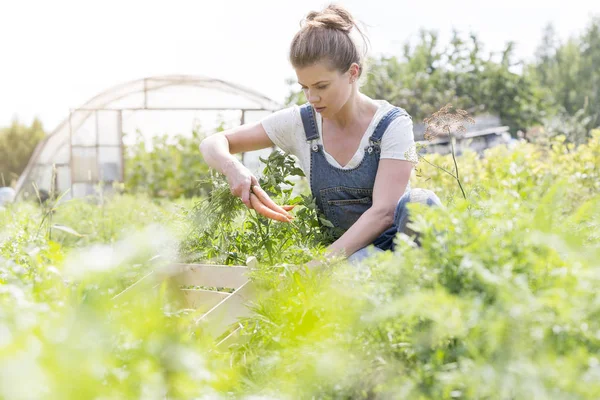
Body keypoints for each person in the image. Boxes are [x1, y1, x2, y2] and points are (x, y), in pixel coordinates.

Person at [200, 4, 441, 264]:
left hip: (401, 250)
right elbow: (213, 142)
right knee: (357, 264)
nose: (312, 97)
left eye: (321, 86)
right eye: (304, 87)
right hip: (348, 256)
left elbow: (384, 212)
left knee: (422, 201)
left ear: (352, 73)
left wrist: (318, 265)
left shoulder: (392, 124)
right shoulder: (301, 123)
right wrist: (232, 168)